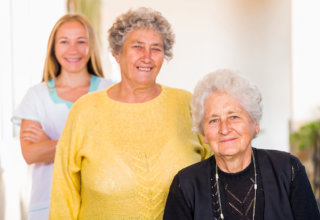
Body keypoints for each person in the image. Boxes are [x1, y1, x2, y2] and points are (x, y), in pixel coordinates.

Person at [49, 7, 210, 220]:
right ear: (117, 53)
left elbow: (214, 178)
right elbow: (64, 193)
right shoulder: (85, 111)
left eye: (156, 49)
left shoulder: (187, 104)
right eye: (137, 46)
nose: (147, 57)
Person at [163, 69, 320, 220]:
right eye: (213, 120)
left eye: (234, 116)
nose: (224, 129)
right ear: (203, 133)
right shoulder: (185, 185)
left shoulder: (288, 170)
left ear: (255, 124)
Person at [11, 14, 113, 220]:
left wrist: (50, 144)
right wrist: (89, 143)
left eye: (81, 42)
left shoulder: (109, 91)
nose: (72, 50)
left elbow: (114, 148)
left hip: (98, 204)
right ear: (53, 48)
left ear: (91, 46)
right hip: (46, 206)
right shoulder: (36, 96)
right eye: (64, 41)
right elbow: (31, 154)